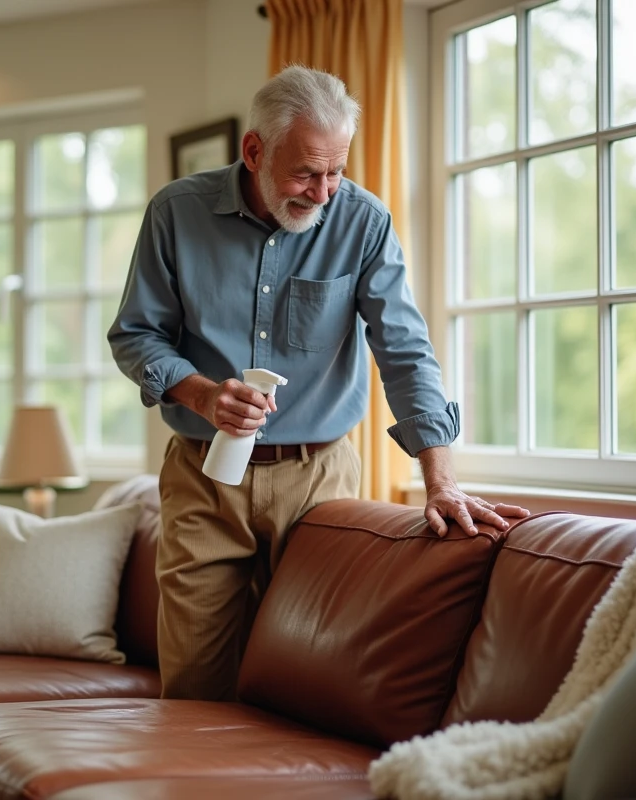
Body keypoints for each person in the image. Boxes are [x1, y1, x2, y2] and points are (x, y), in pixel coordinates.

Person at [108, 65, 530, 702]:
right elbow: (135, 334)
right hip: (202, 478)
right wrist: (200, 393)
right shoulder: (176, 213)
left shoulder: (363, 222)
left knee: (307, 690)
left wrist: (440, 478)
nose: (325, 191)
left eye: (336, 171)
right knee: (195, 691)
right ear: (254, 152)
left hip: (319, 480)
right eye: (306, 172)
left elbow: (405, 350)